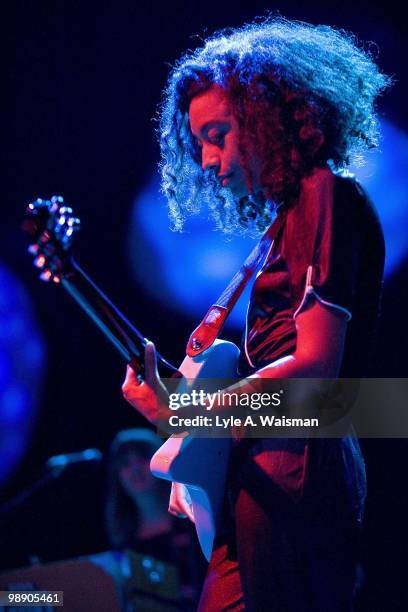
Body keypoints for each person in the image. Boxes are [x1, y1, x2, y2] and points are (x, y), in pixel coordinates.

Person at [122, 16, 391, 611]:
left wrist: (197, 406)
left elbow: (316, 370)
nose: (211, 160)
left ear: (267, 114)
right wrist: (172, 407)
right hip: (266, 462)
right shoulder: (287, 219)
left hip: (297, 463)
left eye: (218, 134)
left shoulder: (324, 193)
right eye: (200, 145)